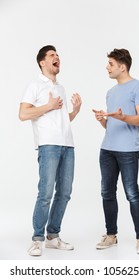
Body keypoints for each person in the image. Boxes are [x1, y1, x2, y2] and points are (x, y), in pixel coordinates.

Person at [19, 45, 82, 256]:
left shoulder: (61, 88)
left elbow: (63, 118)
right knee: (45, 193)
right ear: (42, 62)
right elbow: (23, 114)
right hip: (48, 145)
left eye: (57, 55)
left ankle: (53, 236)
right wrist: (48, 106)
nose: (57, 57)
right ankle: (37, 239)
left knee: (64, 193)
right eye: (52, 55)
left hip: (68, 145)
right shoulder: (34, 85)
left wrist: (75, 111)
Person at [93, 48, 139, 254]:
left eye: (110, 64)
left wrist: (121, 116)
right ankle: (111, 235)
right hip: (107, 149)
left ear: (122, 67)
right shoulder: (111, 92)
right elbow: (111, 126)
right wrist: (104, 120)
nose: (107, 67)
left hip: (128, 152)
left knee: (132, 194)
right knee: (107, 193)